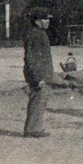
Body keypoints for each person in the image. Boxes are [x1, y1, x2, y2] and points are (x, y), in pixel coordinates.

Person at [22, 7, 54, 138]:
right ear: (37, 21)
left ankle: (35, 127)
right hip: (39, 75)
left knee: (39, 100)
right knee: (38, 101)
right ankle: (32, 129)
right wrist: (37, 77)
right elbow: (32, 58)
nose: (48, 22)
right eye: (45, 19)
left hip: (40, 74)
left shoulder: (37, 33)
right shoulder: (37, 35)